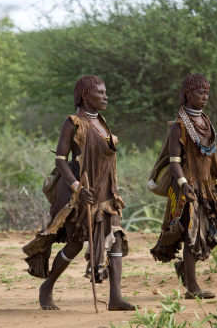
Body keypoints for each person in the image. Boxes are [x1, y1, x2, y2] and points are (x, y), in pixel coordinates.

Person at [23, 75, 136, 311]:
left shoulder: (102, 123)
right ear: (86, 95)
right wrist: (78, 188)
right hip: (79, 193)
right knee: (74, 244)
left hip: (105, 194)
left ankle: (115, 298)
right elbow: (60, 160)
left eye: (105, 92)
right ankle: (48, 286)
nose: (106, 96)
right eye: (101, 93)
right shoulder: (73, 122)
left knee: (114, 240)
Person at [148, 74, 217, 299]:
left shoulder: (206, 123)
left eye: (207, 93)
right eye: (200, 93)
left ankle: (185, 269)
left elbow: (211, 158)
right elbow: (175, 161)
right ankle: (192, 288)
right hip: (186, 188)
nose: (205, 97)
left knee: (215, 231)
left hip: (206, 187)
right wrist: (184, 185)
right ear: (187, 94)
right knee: (192, 235)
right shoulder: (179, 126)